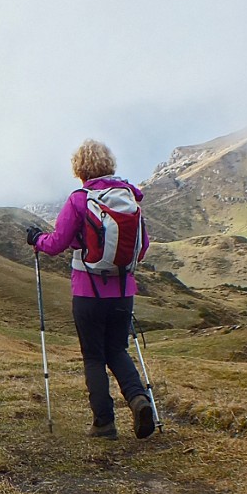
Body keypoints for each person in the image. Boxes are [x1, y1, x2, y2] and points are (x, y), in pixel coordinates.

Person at [26, 140, 152, 439]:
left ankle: (104, 423)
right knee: (117, 349)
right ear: (109, 164)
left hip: (87, 291)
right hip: (123, 290)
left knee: (94, 355)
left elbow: (56, 243)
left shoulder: (79, 200)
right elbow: (143, 247)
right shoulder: (128, 198)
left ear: (79, 169)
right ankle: (138, 399)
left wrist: (36, 240)